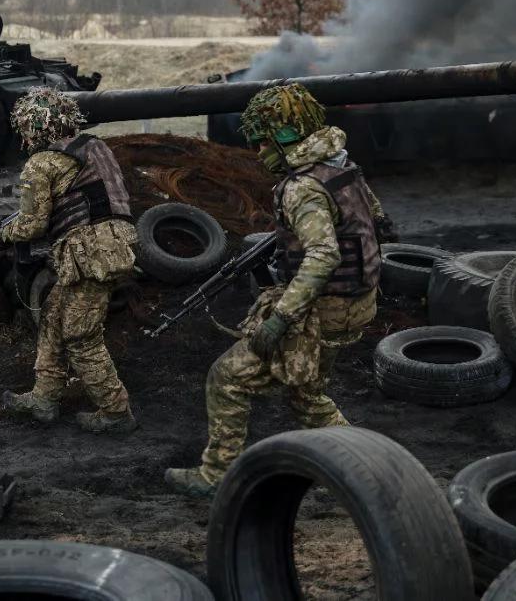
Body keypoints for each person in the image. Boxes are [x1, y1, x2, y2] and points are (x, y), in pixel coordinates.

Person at [165, 85, 386, 497]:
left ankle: (216, 475)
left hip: (325, 310)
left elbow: (323, 255)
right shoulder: (341, 165)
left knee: (227, 377)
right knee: (307, 394)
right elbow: (375, 219)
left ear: (285, 136)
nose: (259, 147)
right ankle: (366, 466)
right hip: (358, 302)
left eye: (264, 138)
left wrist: (281, 318)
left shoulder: (301, 187)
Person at [0, 87, 139, 434]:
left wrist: (2, 234)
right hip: (111, 246)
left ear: (31, 126)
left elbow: (32, 224)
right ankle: (44, 397)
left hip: (87, 253)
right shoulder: (94, 145)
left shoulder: (43, 162)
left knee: (80, 335)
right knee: (53, 314)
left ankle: (115, 412)